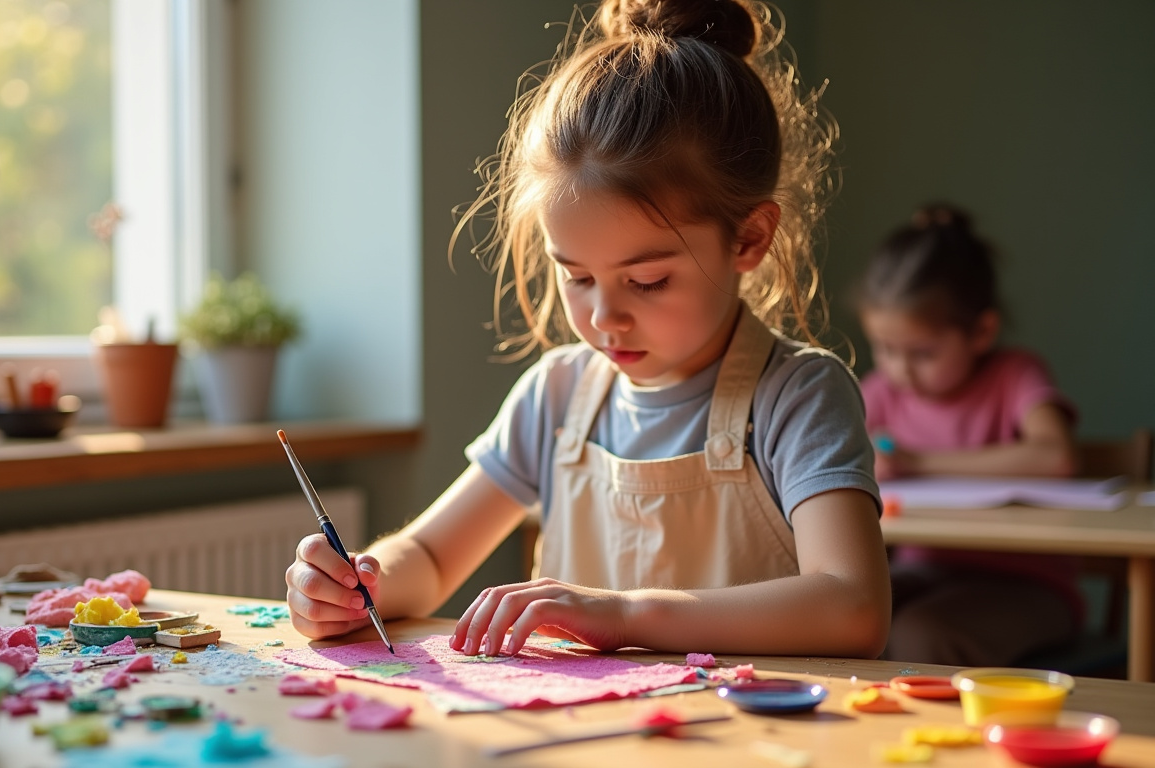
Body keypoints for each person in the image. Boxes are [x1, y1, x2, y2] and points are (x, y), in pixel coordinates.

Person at [287, 0, 890, 659]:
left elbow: (852, 605)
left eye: (649, 280)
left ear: (748, 238)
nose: (603, 318)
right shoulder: (558, 396)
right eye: (575, 276)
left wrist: (624, 614)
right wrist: (355, 584)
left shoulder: (798, 396)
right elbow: (430, 555)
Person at [859, 204, 1082, 666]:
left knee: (921, 633)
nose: (900, 370)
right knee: (849, 612)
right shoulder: (880, 391)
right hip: (924, 570)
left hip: (1029, 587)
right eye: (884, 348)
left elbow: (1055, 456)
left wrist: (919, 462)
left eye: (923, 353)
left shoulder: (1014, 374)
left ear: (981, 331)